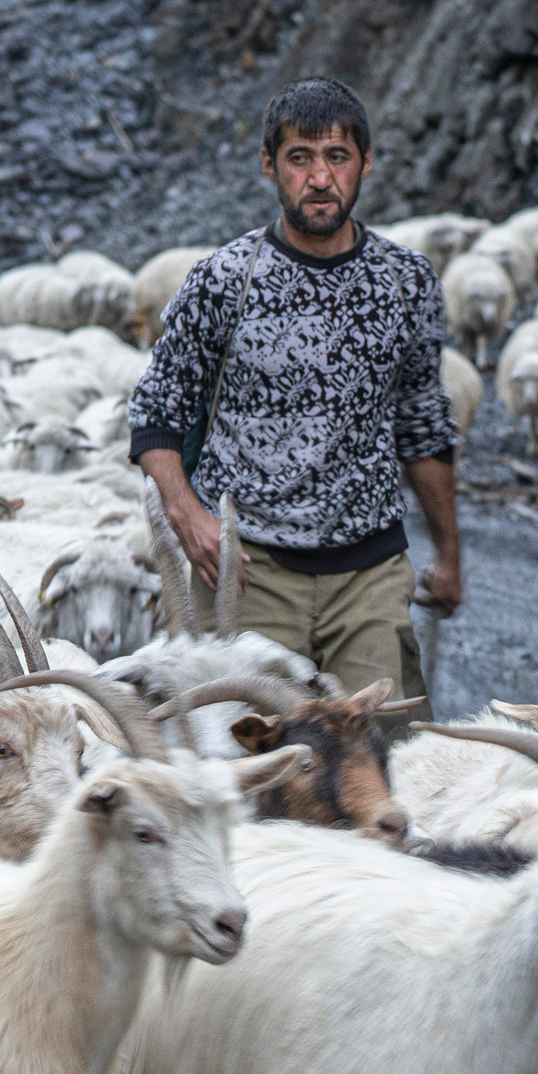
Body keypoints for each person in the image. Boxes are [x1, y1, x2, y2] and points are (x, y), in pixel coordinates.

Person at [125, 76, 461, 706]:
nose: (319, 178)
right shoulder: (225, 279)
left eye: (337, 157)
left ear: (364, 163)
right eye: (299, 159)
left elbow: (423, 423)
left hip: (368, 571)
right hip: (248, 571)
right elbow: (155, 412)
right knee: (246, 756)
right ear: (269, 166)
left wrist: (449, 554)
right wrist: (188, 515)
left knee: (382, 757)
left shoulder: (405, 281)